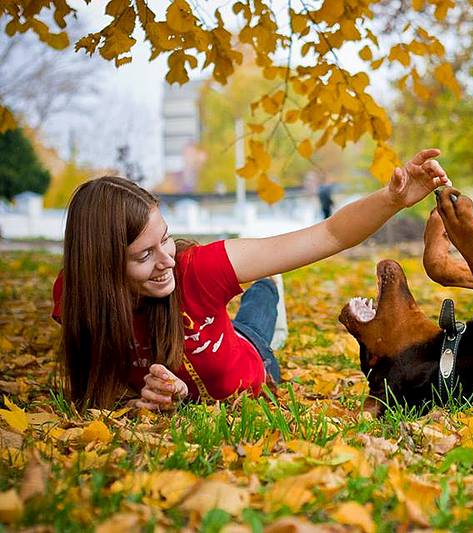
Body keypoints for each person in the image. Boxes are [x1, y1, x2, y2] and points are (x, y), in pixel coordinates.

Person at [51, 149, 450, 411]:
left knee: (257, 321)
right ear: (102, 270)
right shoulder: (76, 297)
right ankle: (264, 285)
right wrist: (144, 400)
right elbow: (98, 388)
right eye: (144, 255)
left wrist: (392, 199)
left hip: (253, 363)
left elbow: (329, 234)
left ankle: (267, 282)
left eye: (166, 238)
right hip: (205, 365)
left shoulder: (195, 269)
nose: (165, 261)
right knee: (245, 321)